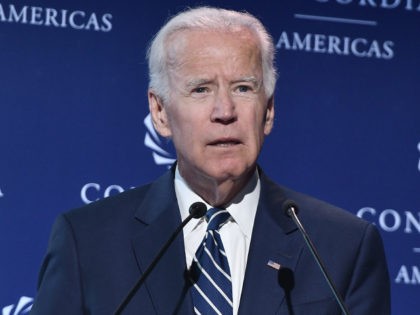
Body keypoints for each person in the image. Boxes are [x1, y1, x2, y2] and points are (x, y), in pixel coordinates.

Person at [30, 6, 391, 315]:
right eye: (201, 89)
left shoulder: (343, 247)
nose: (225, 111)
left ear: (268, 111)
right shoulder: (88, 241)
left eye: (243, 88)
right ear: (160, 112)